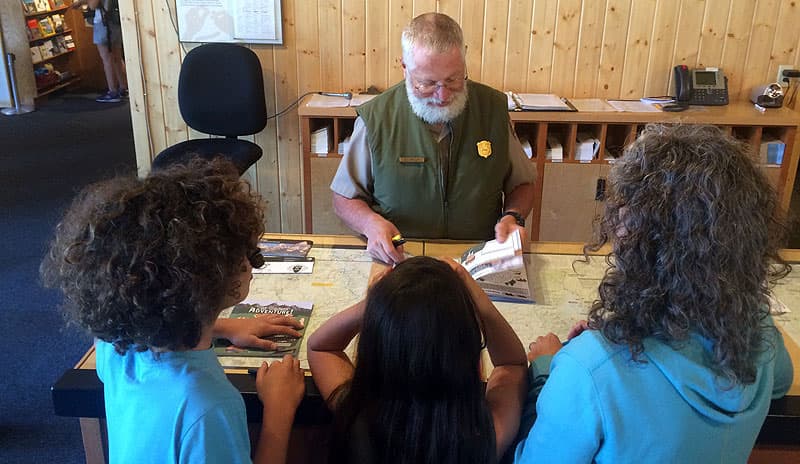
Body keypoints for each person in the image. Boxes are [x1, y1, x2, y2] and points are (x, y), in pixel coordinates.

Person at [514, 125, 794, 463]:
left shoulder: (588, 369)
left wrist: (547, 366)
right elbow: (781, 382)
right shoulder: (758, 328)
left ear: (640, 246)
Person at [41, 159, 305, 464]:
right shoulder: (208, 408)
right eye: (245, 254)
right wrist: (279, 412)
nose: (250, 263)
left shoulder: (117, 348)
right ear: (214, 281)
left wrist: (223, 326)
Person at [330, 12, 536, 265]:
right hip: (402, 257)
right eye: (427, 83)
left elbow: (522, 184)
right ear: (404, 69)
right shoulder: (377, 117)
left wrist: (513, 217)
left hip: (478, 257)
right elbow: (344, 197)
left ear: (464, 60)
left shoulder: (492, 109)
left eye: (453, 79)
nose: (442, 95)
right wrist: (370, 224)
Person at [307, 256, 528, 464]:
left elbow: (321, 347)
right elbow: (512, 364)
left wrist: (375, 302)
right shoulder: (484, 441)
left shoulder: (357, 420)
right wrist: (477, 297)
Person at [72, 0, 129, 102]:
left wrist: (80, 2)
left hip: (103, 23)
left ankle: (113, 92)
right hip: (115, 22)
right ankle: (123, 88)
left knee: (107, 59)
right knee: (117, 58)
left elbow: (93, 5)